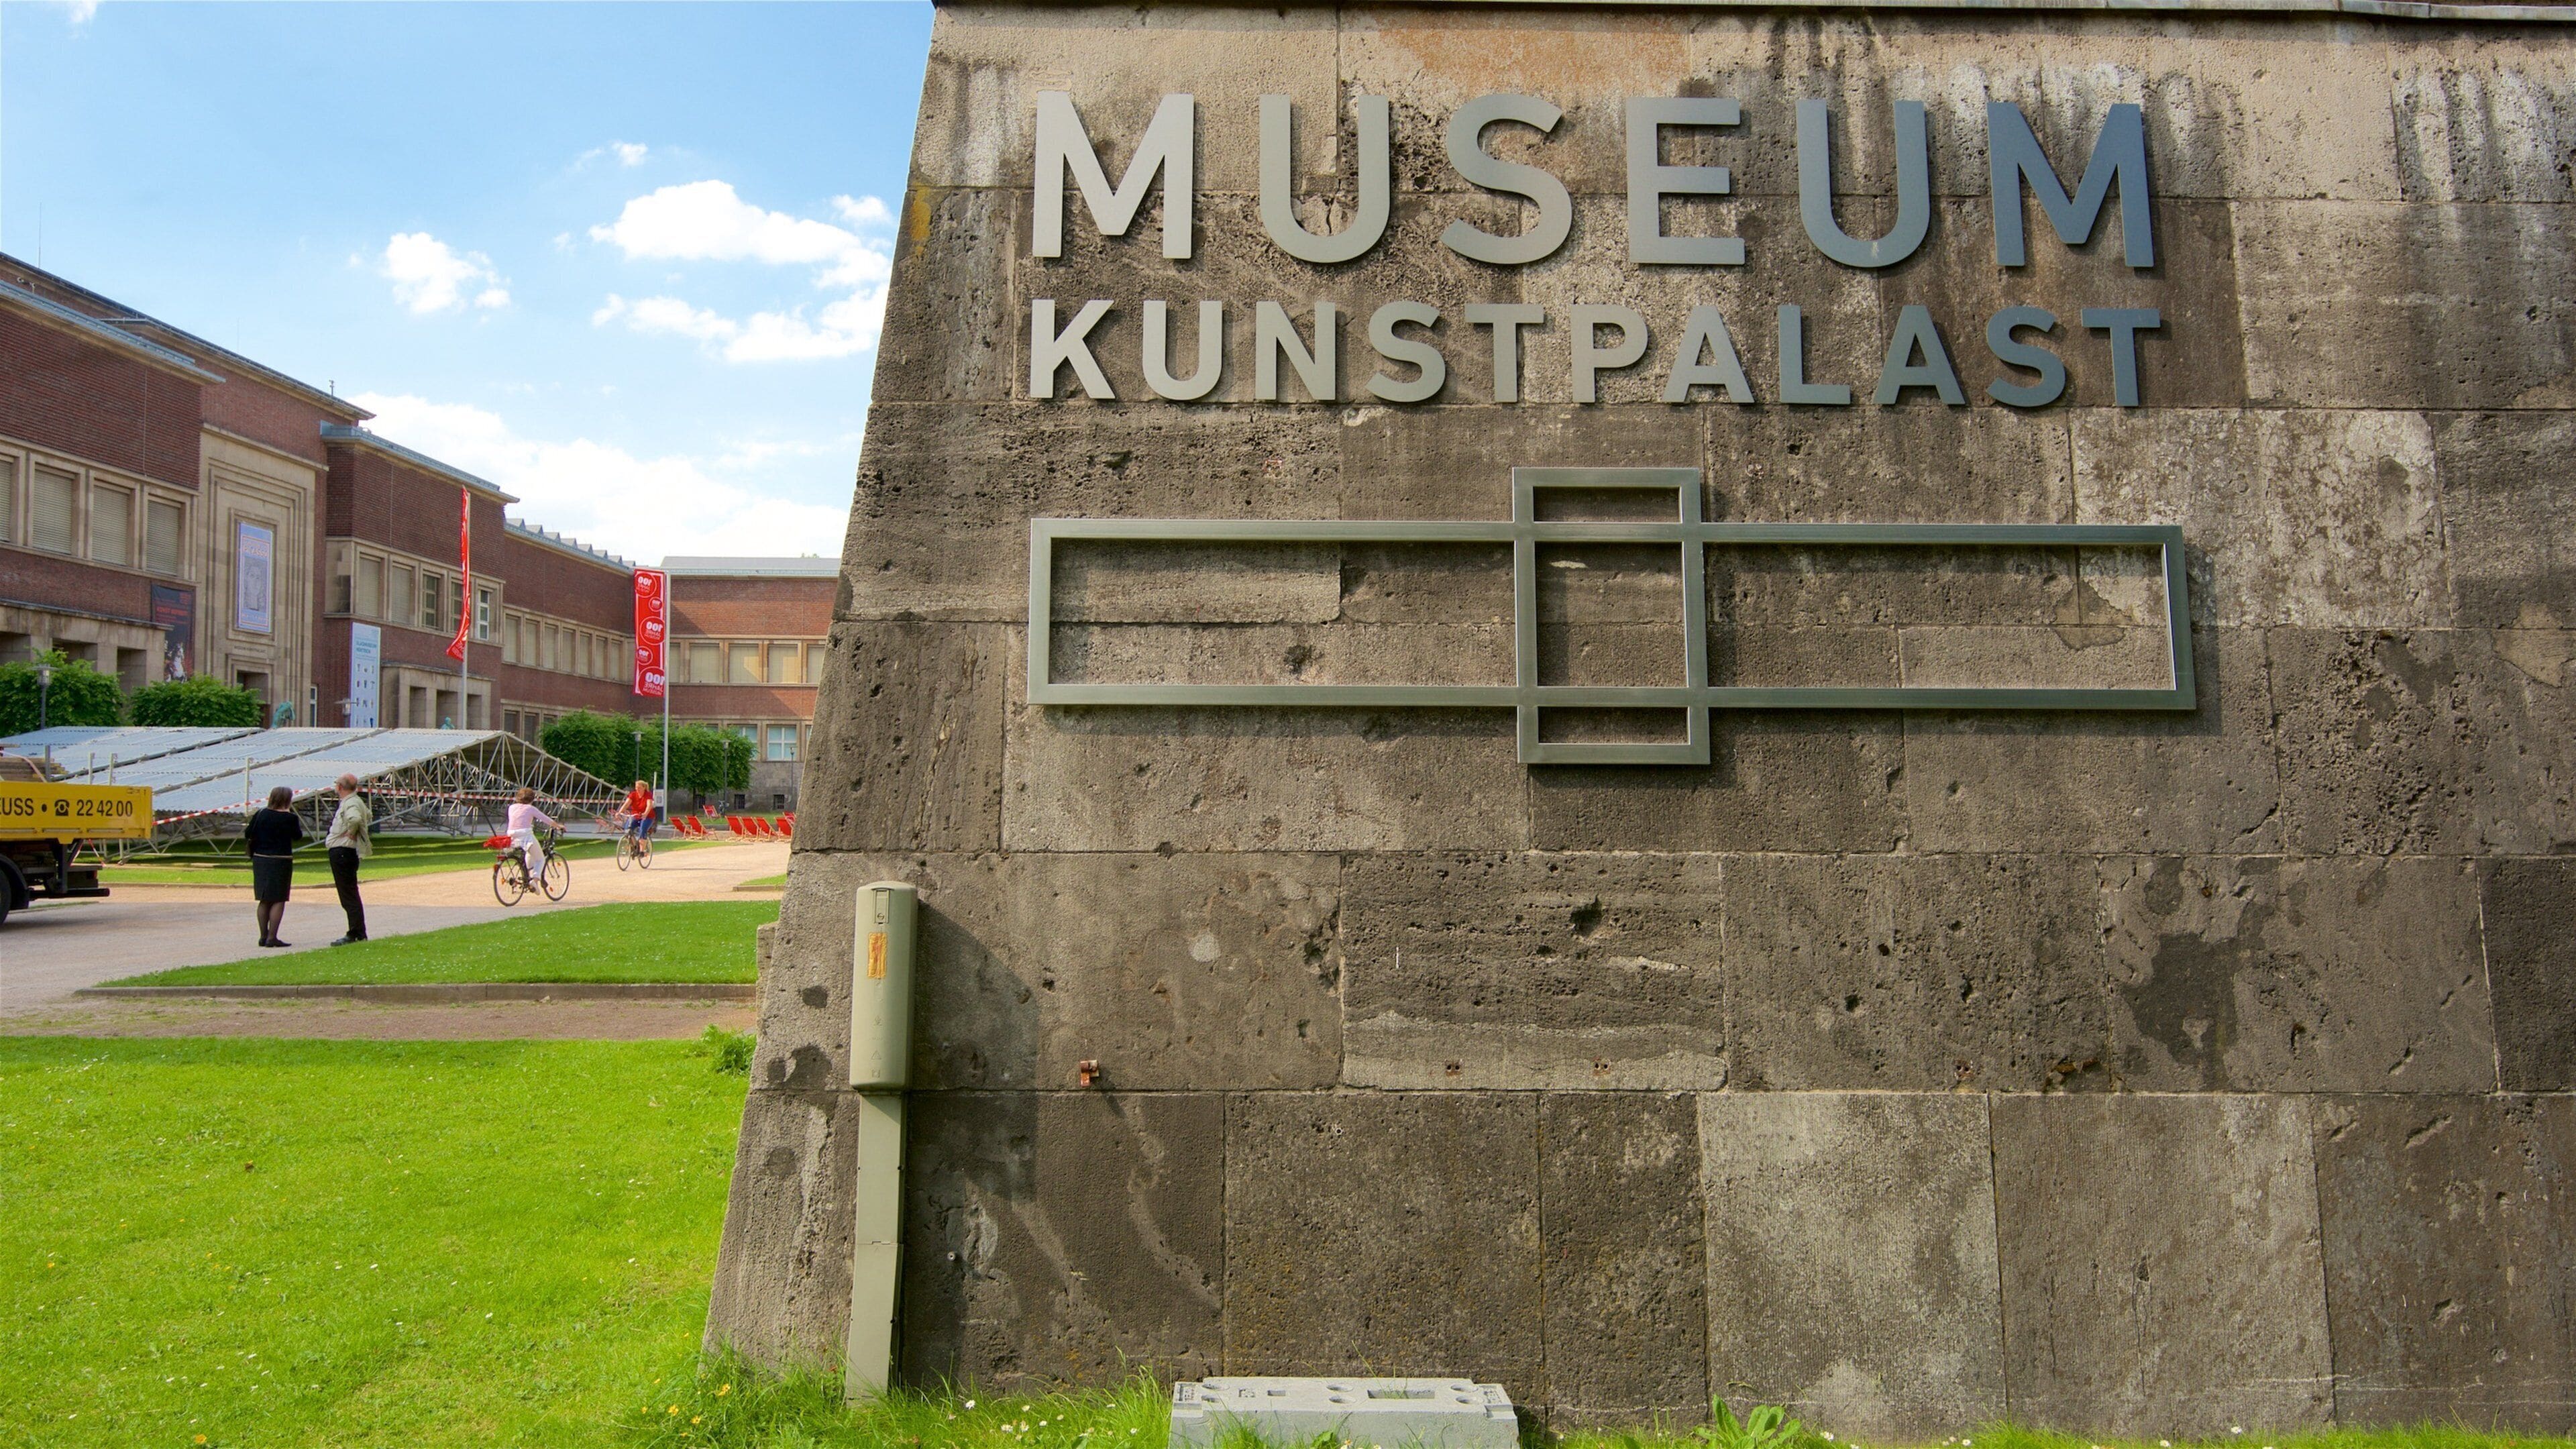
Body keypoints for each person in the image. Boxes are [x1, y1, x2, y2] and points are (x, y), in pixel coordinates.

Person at [243, 784, 303, 949]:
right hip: (281, 859)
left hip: (261, 859)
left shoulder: (261, 814)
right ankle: (272, 936)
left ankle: (263, 935)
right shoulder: (289, 818)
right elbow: (297, 836)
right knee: (279, 898)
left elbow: (248, 833)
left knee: (264, 898)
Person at [324, 773, 373, 946]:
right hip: (345, 852)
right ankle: (358, 931)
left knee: (348, 894)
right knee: (350, 893)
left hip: (343, 852)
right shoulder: (356, 801)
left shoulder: (351, 802)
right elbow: (368, 814)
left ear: (340, 787)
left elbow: (357, 818)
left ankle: (356, 932)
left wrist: (351, 832)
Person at [506, 786, 557, 884]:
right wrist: (558, 826)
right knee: (540, 859)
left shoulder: (511, 808)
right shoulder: (531, 809)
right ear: (532, 799)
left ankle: (527, 874)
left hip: (511, 835)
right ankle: (535, 880)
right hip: (525, 835)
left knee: (530, 852)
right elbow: (546, 819)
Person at [621, 779, 655, 845]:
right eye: (636, 787)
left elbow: (649, 805)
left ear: (644, 788)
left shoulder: (648, 795)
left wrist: (645, 814)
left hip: (647, 817)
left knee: (642, 830)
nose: (637, 789)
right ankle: (635, 845)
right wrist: (620, 812)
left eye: (639, 788)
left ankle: (642, 851)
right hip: (636, 816)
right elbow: (626, 804)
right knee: (627, 829)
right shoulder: (633, 794)